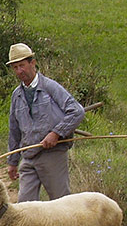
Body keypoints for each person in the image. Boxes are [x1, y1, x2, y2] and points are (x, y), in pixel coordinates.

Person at [6, 43, 84, 202]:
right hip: (28, 156)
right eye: (15, 68)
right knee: (24, 208)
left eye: (22, 65)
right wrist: (12, 162)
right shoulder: (17, 95)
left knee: (61, 204)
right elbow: (14, 130)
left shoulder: (49, 87)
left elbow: (77, 111)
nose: (19, 71)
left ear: (32, 63)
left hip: (52, 155)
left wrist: (56, 133)